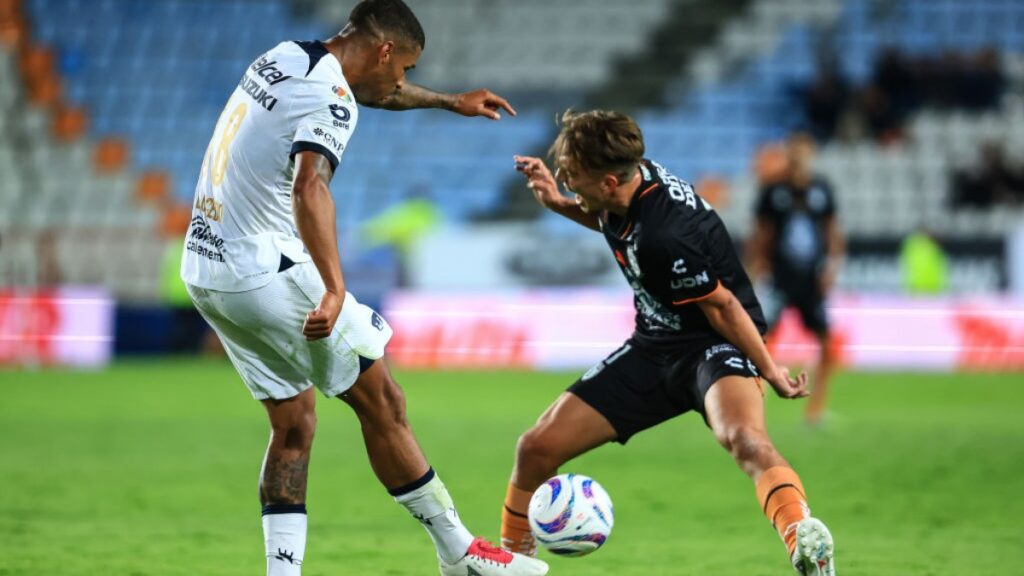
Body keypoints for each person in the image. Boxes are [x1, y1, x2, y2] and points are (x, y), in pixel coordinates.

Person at [179, 1, 547, 575]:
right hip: (261, 269)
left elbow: (377, 93)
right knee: (384, 401)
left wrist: (452, 102)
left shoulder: (285, 57)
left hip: (206, 267)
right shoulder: (333, 101)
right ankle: (460, 554)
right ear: (383, 50)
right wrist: (333, 287)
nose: (403, 80)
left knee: (294, 421)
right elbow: (310, 187)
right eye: (405, 66)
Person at [501, 110, 836, 576]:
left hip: (715, 344)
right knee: (535, 448)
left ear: (611, 182)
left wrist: (771, 370)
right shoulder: (626, 185)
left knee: (744, 439)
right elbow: (606, 216)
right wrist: (558, 200)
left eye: (573, 175)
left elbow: (721, 307)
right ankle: (514, 565)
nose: (564, 177)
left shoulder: (666, 233)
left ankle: (804, 539)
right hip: (654, 344)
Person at [748, 133, 845, 427]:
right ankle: (752, 410)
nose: (799, 157)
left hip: (811, 279)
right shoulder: (773, 191)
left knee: (827, 343)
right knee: (762, 343)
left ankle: (815, 410)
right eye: (794, 152)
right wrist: (757, 269)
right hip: (779, 277)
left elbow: (832, 231)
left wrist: (832, 266)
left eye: (804, 152)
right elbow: (761, 234)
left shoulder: (822, 189)